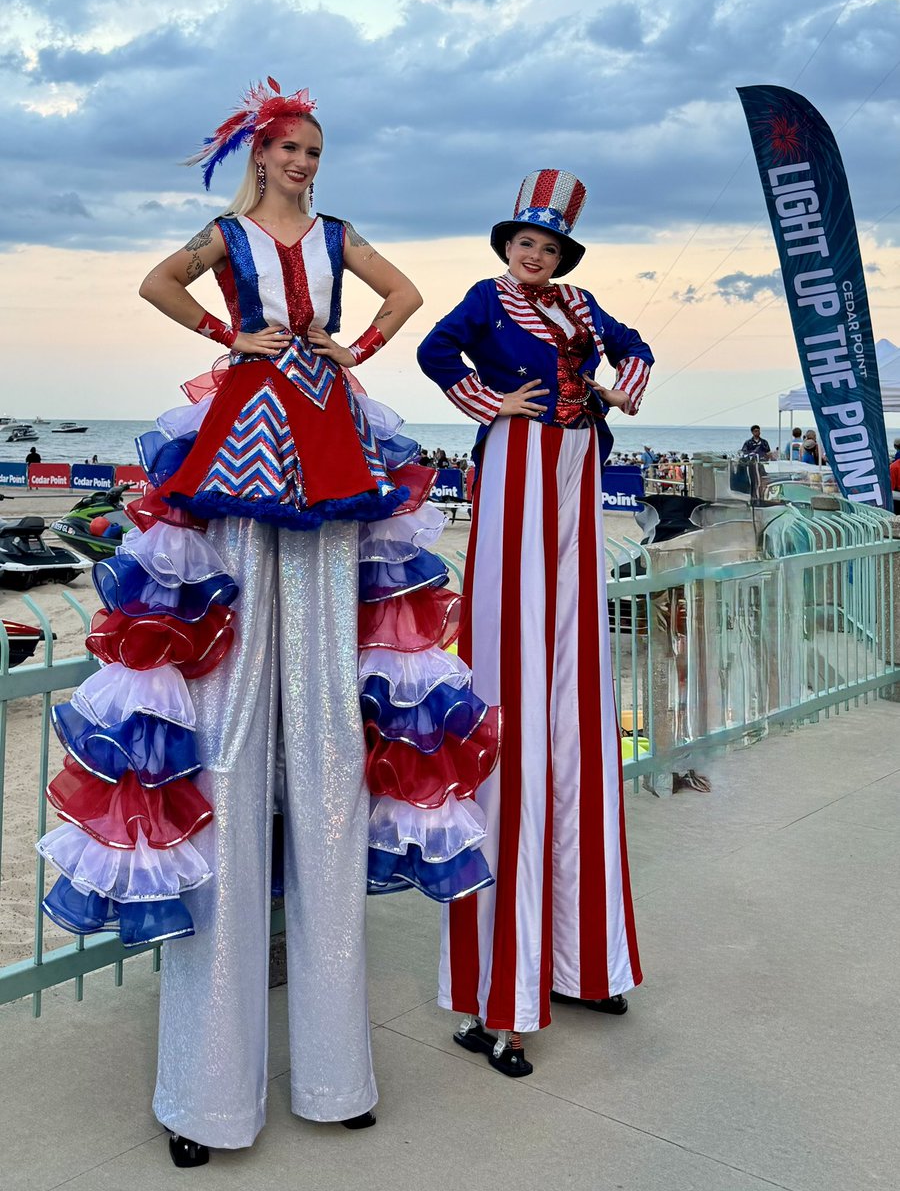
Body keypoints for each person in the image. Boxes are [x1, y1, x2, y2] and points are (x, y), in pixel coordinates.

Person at [35, 79, 497, 1166]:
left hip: (330, 433)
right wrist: (227, 333)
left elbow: (405, 295)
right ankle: (205, 1098)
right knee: (230, 740)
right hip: (244, 430)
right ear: (261, 152)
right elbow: (157, 281)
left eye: (316, 151)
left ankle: (336, 1080)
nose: (305, 163)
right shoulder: (226, 233)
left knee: (332, 738)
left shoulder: (338, 235)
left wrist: (355, 347)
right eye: (293, 149)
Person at [417, 169, 649, 1076]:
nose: (535, 255)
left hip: (577, 461)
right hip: (516, 457)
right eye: (525, 242)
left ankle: (580, 962)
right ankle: (500, 989)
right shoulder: (487, 299)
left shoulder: (581, 306)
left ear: (562, 255)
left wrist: (619, 391)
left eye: (548, 247)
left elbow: (636, 350)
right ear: (508, 245)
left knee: (574, 688)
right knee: (511, 677)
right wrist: (491, 403)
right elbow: (438, 351)